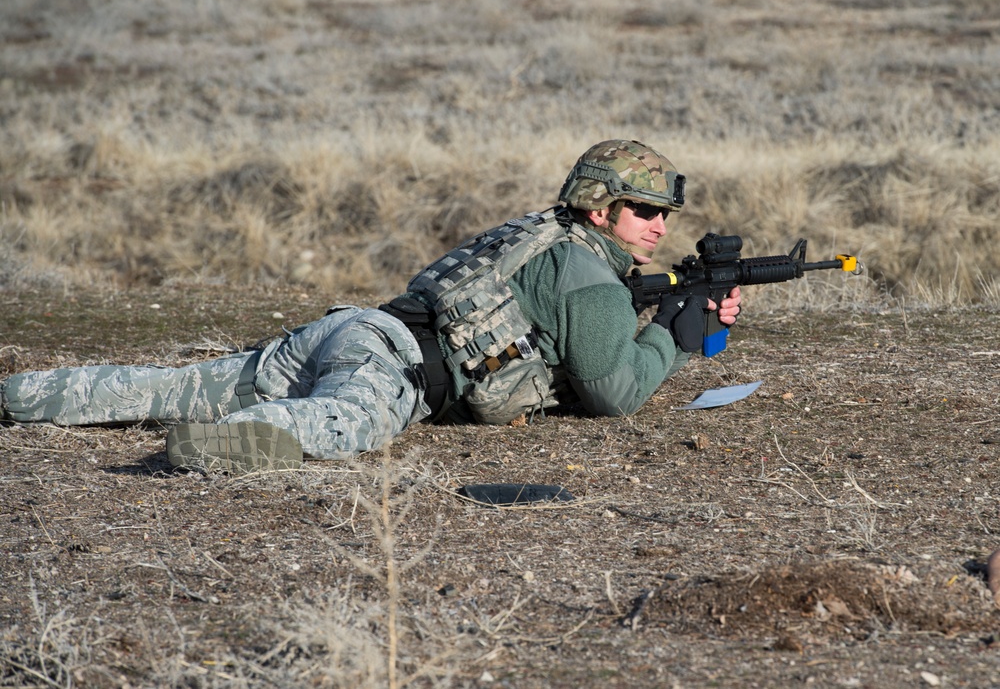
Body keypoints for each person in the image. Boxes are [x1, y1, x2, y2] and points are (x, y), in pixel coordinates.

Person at [0, 139, 741, 473]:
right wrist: (680, 337)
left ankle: (23, 395)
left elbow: (552, 325)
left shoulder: (541, 236)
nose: (660, 226)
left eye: (664, 215)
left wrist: (667, 307)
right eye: (645, 210)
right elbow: (612, 392)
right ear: (602, 208)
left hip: (348, 330)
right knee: (341, 427)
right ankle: (237, 439)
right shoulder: (590, 278)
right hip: (390, 371)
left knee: (174, 384)